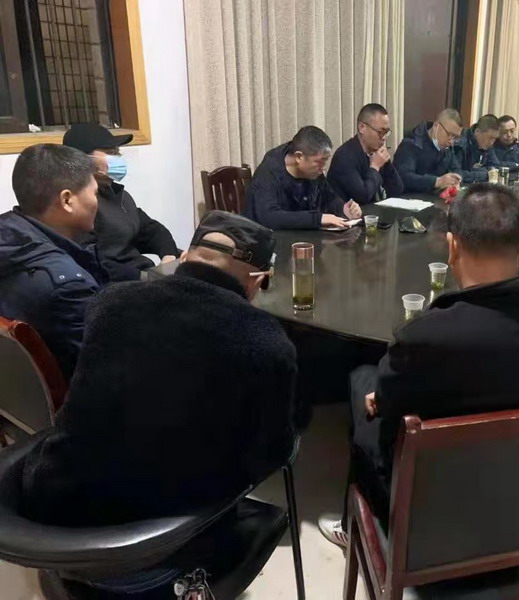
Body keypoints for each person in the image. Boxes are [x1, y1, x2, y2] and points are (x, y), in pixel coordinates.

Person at [318, 183, 519, 543]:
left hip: (431, 506)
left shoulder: (427, 335)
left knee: (362, 378)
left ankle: (356, 527)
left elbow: (390, 407)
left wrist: (380, 396)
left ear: (452, 247)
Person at [22, 210, 298, 529]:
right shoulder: (265, 339)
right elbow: (271, 453)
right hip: (160, 531)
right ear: (257, 281)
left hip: (57, 505)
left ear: (185, 257)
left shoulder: (109, 301)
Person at [0, 144, 105, 379]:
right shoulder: (68, 286)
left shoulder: (9, 237)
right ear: (67, 200)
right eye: (95, 193)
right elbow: (104, 367)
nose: (97, 202)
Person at [63, 123, 180, 281]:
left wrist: (169, 257)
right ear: (83, 159)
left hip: (145, 276)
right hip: (119, 285)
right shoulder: (79, 204)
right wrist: (146, 277)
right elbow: (94, 263)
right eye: (110, 153)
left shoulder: (117, 193)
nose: (118, 158)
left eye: (117, 152)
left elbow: (152, 230)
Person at [245, 126, 362, 229]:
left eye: (325, 162)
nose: (323, 169)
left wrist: (344, 209)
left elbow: (328, 197)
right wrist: (318, 219)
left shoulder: (312, 171)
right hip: (269, 240)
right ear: (299, 157)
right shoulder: (268, 173)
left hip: (303, 237)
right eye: (319, 162)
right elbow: (269, 217)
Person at [327, 103, 404, 204]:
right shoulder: (344, 156)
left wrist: (386, 162)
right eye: (380, 132)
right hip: (346, 213)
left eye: (386, 132)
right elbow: (363, 197)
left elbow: (397, 190)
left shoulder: (376, 154)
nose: (384, 137)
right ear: (362, 127)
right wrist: (375, 167)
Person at [393, 108, 464, 193]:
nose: (451, 141)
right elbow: (403, 177)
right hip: (409, 197)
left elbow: (456, 168)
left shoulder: (447, 148)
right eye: (449, 134)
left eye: (456, 137)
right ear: (436, 126)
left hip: (435, 197)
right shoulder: (412, 144)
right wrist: (436, 181)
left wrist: (456, 180)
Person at [453, 114, 500, 183]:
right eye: (490, 138)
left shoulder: (487, 145)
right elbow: (456, 174)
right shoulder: (461, 144)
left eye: (494, 139)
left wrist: (477, 171)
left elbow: (495, 167)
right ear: (477, 132)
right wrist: (484, 174)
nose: (492, 142)